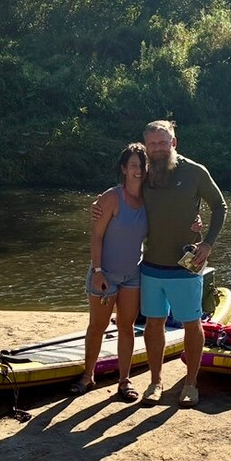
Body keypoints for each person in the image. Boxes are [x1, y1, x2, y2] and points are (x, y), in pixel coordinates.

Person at [97, 120, 227, 407]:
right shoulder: (146, 175)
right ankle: (155, 381)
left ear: (174, 142)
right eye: (151, 143)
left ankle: (191, 383)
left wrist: (207, 242)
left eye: (162, 142)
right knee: (154, 324)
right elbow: (125, 193)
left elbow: (219, 206)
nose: (156, 148)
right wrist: (102, 205)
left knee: (192, 324)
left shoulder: (194, 172)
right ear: (146, 146)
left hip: (186, 266)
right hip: (152, 266)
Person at [72, 143, 148, 402]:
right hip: (105, 274)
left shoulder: (149, 198)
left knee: (127, 327)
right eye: (134, 165)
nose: (139, 170)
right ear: (124, 169)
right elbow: (96, 236)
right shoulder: (111, 198)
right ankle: (88, 376)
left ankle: (124, 381)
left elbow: (173, 217)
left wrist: (195, 225)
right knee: (98, 326)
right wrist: (98, 271)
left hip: (133, 275)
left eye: (142, 165)